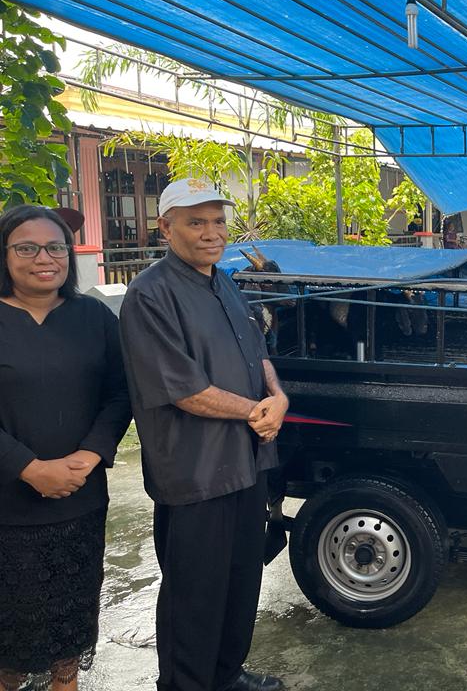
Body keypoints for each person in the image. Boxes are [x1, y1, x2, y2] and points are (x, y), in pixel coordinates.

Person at [118, 179, 289, 691]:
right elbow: (181, 389)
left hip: (247, 461)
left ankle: (226, 674)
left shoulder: (225, 283)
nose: (211, 232)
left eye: (218, 221)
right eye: (196, 222)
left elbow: (257, 355)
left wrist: (278, 397)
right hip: (195, 470)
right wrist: (256, 410)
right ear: (166, 228)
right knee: (194, 593)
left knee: (242, 579)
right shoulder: (150, 294)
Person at [0, 205, 132, 691]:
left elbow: (121, 393)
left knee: (70, 620)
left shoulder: (93, 316)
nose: (44, 258)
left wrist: (91, 454)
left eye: (55, 247)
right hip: (7, 506)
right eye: (27, 248)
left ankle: (65, 682)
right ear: (4, 254)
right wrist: (28, 467)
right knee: (9, 632)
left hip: (80, 499)